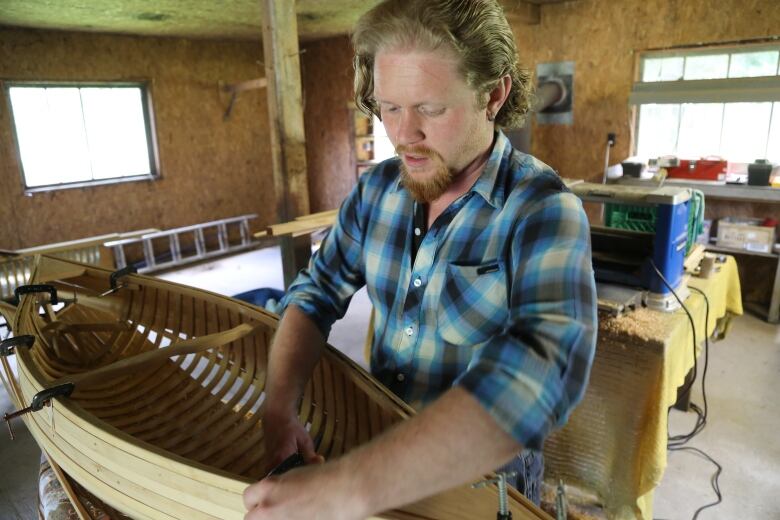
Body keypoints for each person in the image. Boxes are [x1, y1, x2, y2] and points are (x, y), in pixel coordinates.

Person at [243, 0, 597, 518]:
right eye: (389, 107)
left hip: (479, 486)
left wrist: (348, 488)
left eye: (430, 108)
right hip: (376, 448)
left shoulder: (542, 210)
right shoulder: (377, 192)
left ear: (493, 95)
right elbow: (315, 292)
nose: (403, 133)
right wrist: (278, 407)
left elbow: (539, 374)